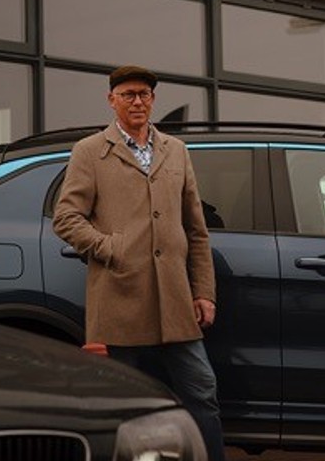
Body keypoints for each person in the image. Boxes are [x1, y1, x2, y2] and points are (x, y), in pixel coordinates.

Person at [52, 64, 225, 461]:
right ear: (111, 100)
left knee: (202, 390)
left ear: (153, 100)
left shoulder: (176, 150)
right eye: (128, 94)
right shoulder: (90, 151)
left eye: (144, 94)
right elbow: (66, 217)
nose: (137, 101)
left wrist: (204, 291)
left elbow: (196, 229)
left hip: (175, 300)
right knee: (123, 401)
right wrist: (111, 247)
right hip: (120, 296)